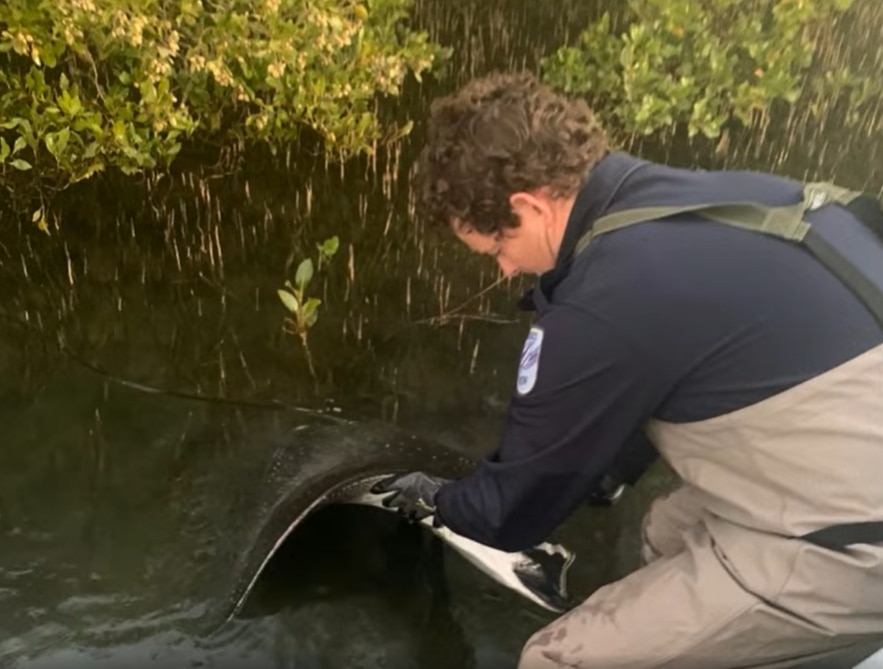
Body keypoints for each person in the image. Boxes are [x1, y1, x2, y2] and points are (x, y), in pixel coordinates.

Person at [372, 71, 883, 668]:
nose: (505, 271)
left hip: (854, 542)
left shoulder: (603, 302)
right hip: (846, 462)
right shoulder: (704, 199)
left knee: (558, 660)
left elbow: (510, 514)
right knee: (666, 532)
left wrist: (442, 501)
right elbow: (693, 357)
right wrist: (604, 471)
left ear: (529, 206)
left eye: (495, 250)